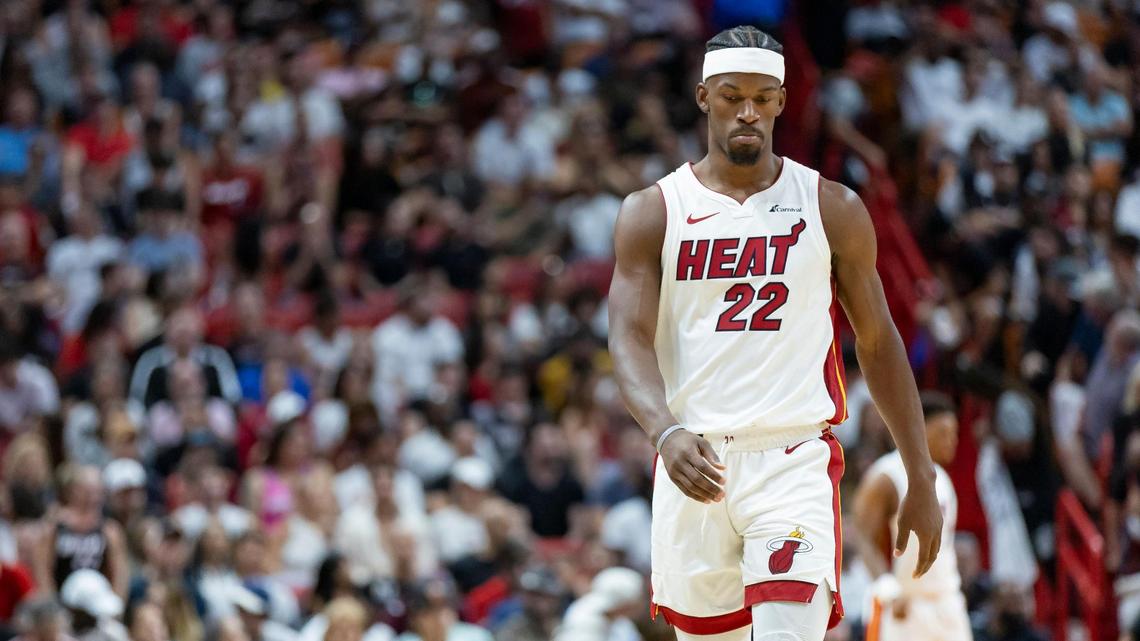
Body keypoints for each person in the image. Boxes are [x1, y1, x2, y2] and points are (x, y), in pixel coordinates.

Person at [607, 25, 943, 641]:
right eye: (733, 95)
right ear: (704, 96)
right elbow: (626, 336)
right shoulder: (653, 211)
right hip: (694, 459)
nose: (748, 111)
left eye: (763, 97)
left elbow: (877, 340)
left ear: (783, 103)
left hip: (792, 460)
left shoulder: (831, 206)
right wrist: (665, 431)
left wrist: (918, 472)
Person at [853, 392, 969, 641]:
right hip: (905, 605)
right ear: (919, 429)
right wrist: (886, 588)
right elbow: (862, 535)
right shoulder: (886, 475)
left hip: (948, 602)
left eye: (955, 433)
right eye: (943, 432)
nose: (952, 441)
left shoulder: (943, 478)